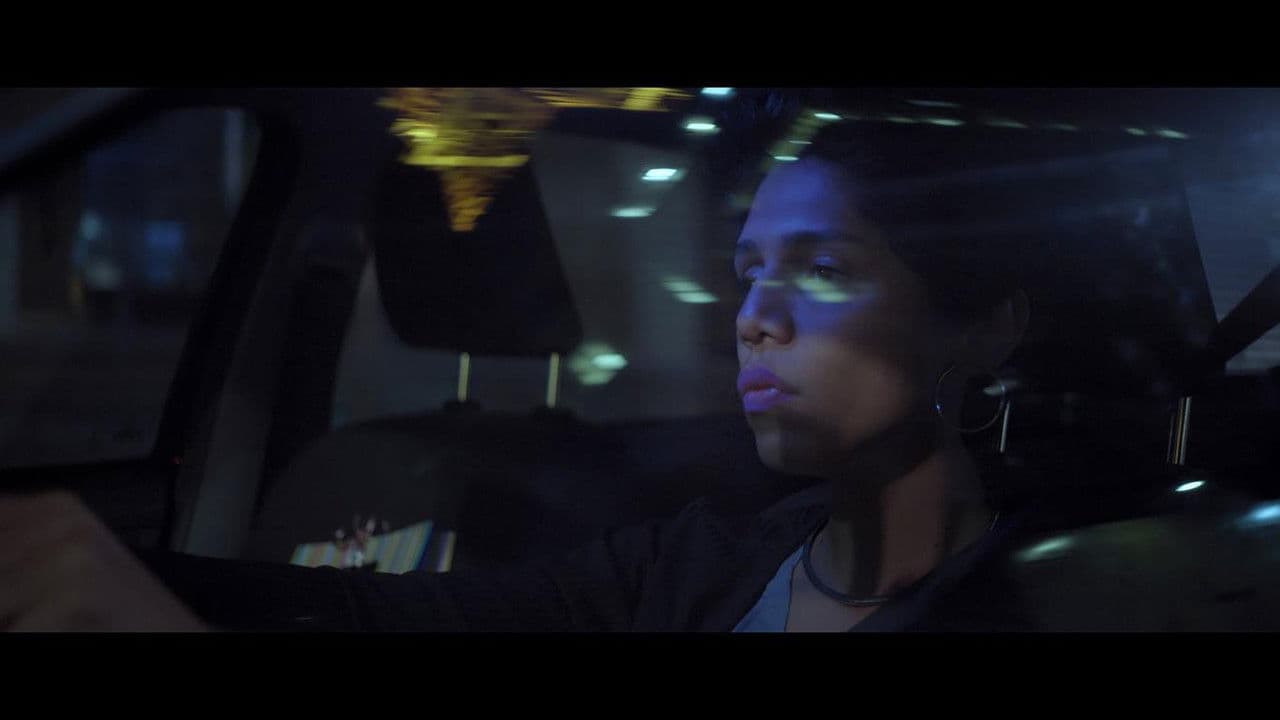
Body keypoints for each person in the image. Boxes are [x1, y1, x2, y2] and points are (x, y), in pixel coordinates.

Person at [0, 123, 1034, 632]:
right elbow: (397, 617)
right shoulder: (700, 561)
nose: (753, 318)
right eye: (747, 271)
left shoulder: (1054, 596)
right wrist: (116, 576)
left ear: (984, 326)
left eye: (824, 270)